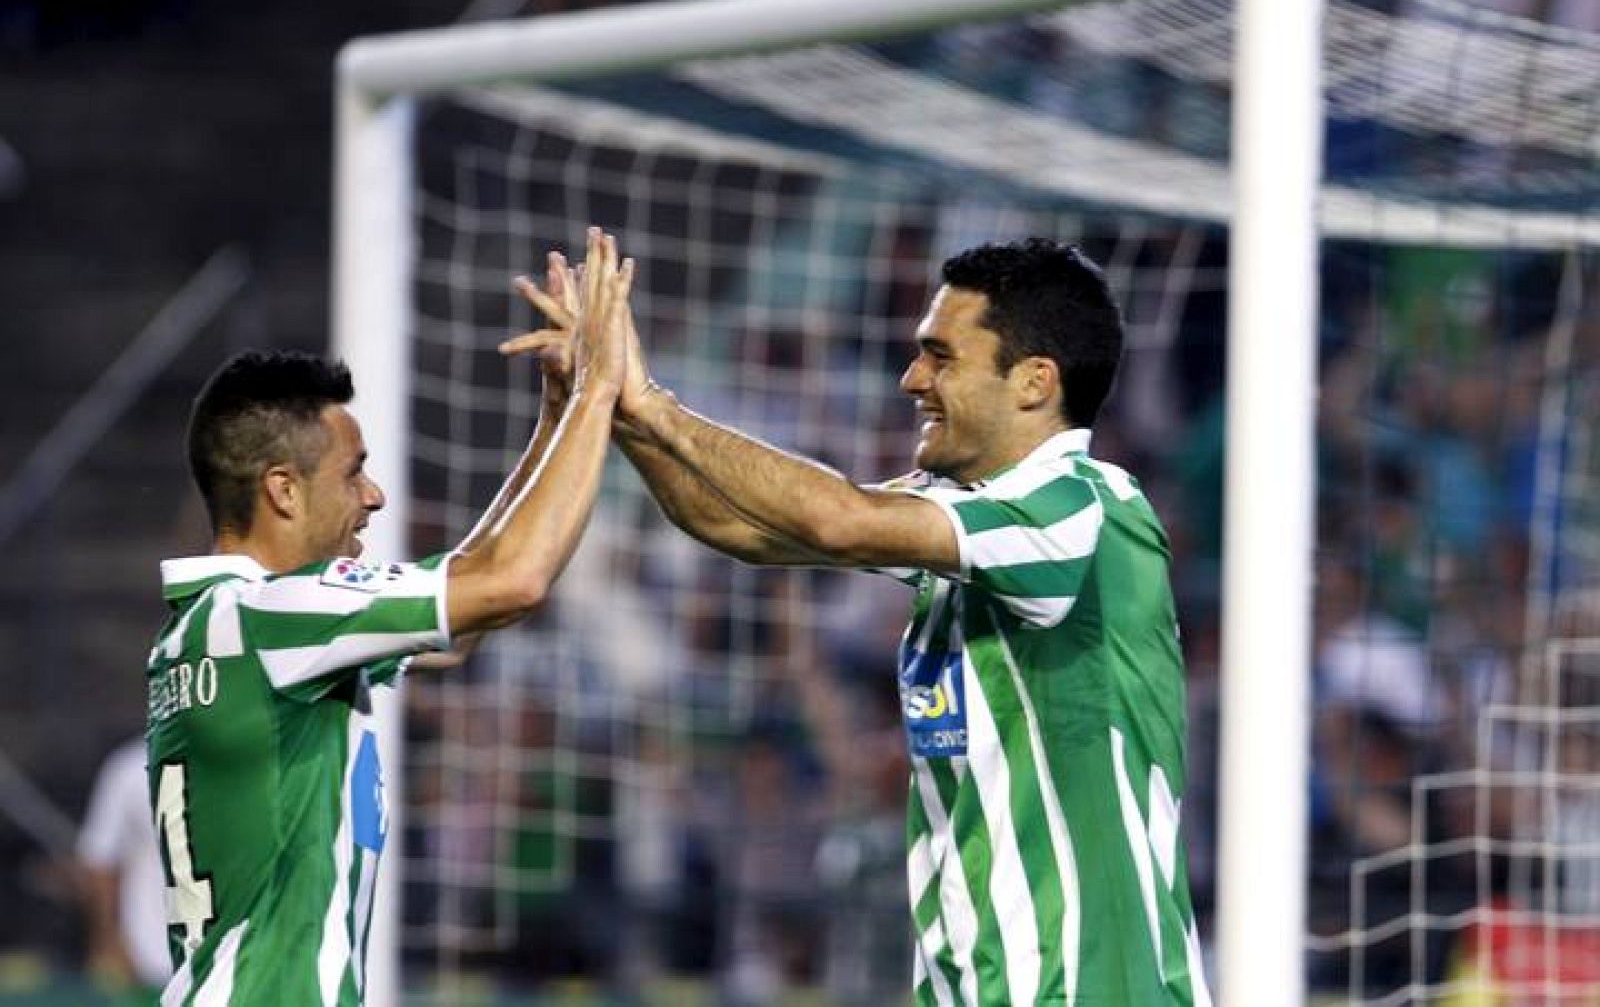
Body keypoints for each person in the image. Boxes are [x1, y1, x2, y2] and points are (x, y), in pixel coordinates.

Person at [508, 236, 1212, 1004]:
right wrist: (610, 406)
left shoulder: (1082, 506)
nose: (913, 380)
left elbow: (838, 517)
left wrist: (650, 401)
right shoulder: (969, 524)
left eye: (941, 357)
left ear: (1035, 381)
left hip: (1088, 985)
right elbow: (742, 529)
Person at [145, 229, 632, 1005]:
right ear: (283, 489)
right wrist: (601, 389)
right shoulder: (278, 616)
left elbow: (465, 621)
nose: (373, 497)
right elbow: (516, 582)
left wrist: (554, 418)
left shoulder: (219, 629)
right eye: (354, 472)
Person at [77, 737, 171, 1001]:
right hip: (148, 954)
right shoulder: (129, 767)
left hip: (226, 952)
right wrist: (109, 941)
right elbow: (100, 862)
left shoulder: (247, 759)